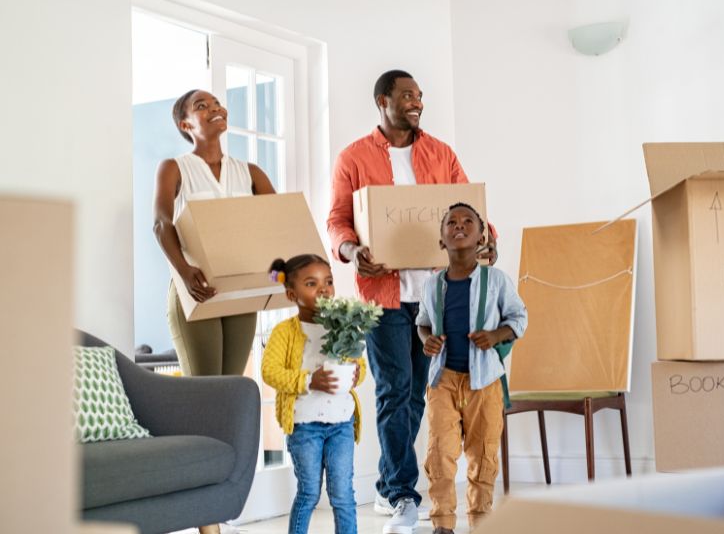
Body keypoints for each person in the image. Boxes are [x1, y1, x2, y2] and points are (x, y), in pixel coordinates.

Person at [327, 70, 497, 534]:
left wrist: (489, 239)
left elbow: (472, 210)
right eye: (407, 96)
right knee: (393, 389)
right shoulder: (354, 157)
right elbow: (338, 221)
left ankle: (387, 485)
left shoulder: (440, 153)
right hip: (383, 297)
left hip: (436, 296)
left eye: (420, 96)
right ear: (383, 101)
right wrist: (352, 252)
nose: (416, 102)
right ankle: (401, 491)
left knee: (421, 389)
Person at [417, 203, 527, 534]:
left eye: (468, 222)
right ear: (441, 240)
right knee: (440, 453)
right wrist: (427, 339)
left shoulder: (496, 281)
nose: (459, 226)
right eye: (451, 222)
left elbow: (519, 318)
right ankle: (443, 524)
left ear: (482, 237)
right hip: (443, 380)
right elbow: (422, 323)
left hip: (485, 382)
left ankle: (482, 520)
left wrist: (496, 335)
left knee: (483, 454)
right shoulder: (432, 284)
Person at [153, 89, 276, 381]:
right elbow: (161, 223)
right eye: (202, 106)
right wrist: (184, 271)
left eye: (217, 103)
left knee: (231, 389)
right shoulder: (174, 168)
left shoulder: (250, 173)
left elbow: (278, 224)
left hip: (241, 290)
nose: (215, 108)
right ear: (186, 125)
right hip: (196, 287)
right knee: (205, 390)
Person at [261, 254, 365, 534]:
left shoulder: (342, 325)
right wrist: (309, 381)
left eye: (328, 282)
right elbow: (270, 372)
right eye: (312, 283)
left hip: (341, 424)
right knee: (309, 493)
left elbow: (359, 364)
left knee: (343, 494)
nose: (323, 289)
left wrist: (357, 373)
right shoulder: (285, 332)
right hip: (305, 427)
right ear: (292, 294)